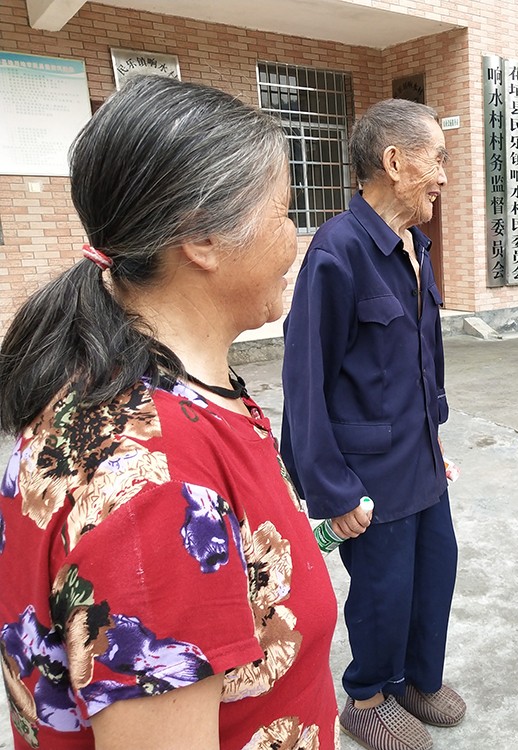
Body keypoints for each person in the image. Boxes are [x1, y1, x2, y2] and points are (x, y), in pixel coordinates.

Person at [0, 76, 339, 749]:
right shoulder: (155, 493)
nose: (295, 238)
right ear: (200, 235)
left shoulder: (158, 386)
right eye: (283, 212)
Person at [280, 99, 462, 750]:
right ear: (394, 162)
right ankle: (367, 697)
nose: (444, 176)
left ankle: (417, 680)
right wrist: (331, 491)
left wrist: (434, 439)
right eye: (437, 159)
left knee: (436, 569)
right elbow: (305, 380)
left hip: (419, 458)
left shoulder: (415, 245)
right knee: (384, 589)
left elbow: (420, 361)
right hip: (368, 473)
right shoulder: (339, 250)